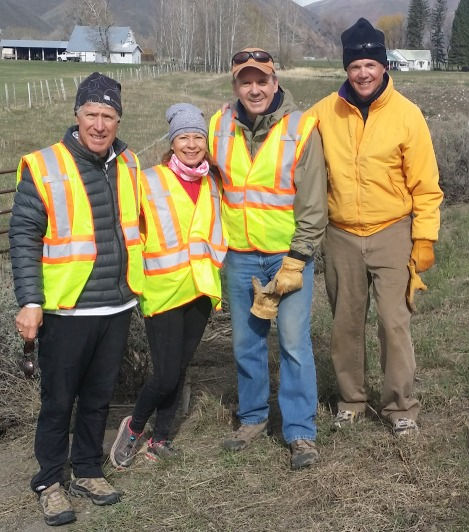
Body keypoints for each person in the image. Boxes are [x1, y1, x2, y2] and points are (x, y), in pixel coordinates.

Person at [9, 71, 143, 527]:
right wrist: (30, 300)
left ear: (118, 120)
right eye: (92, 114)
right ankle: (49, 480)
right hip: (66, 308)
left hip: (117, 304)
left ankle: (87, 468)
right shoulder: (45, 166)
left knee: (99, 397)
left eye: (109, 116)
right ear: (76, 115)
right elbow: (23, 236)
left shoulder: (129, 163)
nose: (100, 124)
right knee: (58, 399)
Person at [309, 18, 444, 437]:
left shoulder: (407, 116)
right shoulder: (322, 113)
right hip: (341, 234)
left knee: (393, 321)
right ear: (346, 69)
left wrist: (423, 238)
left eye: (371, 64)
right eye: (355, 66)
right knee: (345, 323)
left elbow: (426, 186)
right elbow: (286, 142)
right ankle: (351, 399)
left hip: (392, 232)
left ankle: (401, 406)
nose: (363, 73)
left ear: (384, 66)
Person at [208, 48, 327, 469]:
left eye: (262, 80)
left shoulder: (301, 127)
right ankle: (253, 418)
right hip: (240, 256)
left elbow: (313, 204)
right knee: (246, 343)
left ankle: (300, 433)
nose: (254, 89)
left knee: (294, 344)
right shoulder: (219, 125)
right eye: (245, 81)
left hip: (286, 256)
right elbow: (200, 174)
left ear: (275, 82)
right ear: (235, 86)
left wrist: (297, 259)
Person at [109, 103, 226, 468]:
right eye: (184, 138)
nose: (191, 145)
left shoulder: (212, 182)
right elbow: (126, 228)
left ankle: (161, 438)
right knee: (165, 374)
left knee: (182, 366)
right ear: (172, 143)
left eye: (198, 138)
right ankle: (135, 426)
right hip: (161, 290)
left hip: (199, 290)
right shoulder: (149, 180)